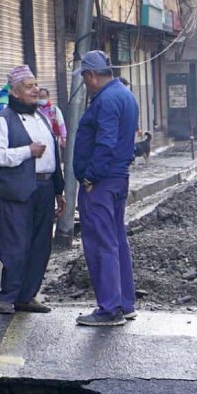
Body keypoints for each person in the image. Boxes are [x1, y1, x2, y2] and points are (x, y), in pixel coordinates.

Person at [0, 65, 65, 315]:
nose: (36, 90)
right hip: (18, 189)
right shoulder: (3, 120)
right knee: (16, 245)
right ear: (15, 92)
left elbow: (53, 155)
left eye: (36, 85)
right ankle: (7, 296)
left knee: (40, 245)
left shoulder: (42, 117)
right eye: (29, 86)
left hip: (44, 188)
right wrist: (26, 152)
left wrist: (58, 190)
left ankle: (27, 295)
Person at [73, 50, 140, 327]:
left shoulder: (106, 100)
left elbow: (106, 142)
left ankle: (109, 308)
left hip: (101, 182)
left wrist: (90, 177)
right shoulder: (125, 95)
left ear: (91, 75)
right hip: (118, 178)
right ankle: (125, 303)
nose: (85, 84)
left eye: (85, 78)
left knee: (101, 242)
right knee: (116, 240)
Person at [37, 87, 68, 151]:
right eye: (40, 97)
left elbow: (61, 125)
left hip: (54, 140)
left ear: (48, 97)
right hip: (40, 141)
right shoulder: (35, 111)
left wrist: (64, 138)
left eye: (44, 96)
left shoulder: (54, 110)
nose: (42, 99)